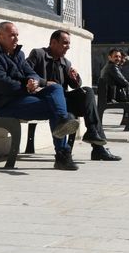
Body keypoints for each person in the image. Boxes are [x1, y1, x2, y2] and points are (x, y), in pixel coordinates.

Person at [0, 22, 81, 170]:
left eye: (17, 35)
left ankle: (63, 121)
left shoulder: (18, 54)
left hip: (24, 98)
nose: (16, 39)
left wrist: (34, 81)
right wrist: (27, 87)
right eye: (12, 35)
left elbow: (32, 73)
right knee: (57, 110)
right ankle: (63, 154)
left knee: (56, 87)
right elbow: (3, 84)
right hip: (6, 104)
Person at [27, 30, 122, 162]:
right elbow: (26, 72)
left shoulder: (65, 62)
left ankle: (93, 134)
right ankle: (98, 149)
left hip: (64, 100)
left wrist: (75, 77)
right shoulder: (38, 54)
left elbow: (75, 85)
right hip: (45, 99)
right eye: (65, 43)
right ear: (53, 42)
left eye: (69, 44)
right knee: (73, 104)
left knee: (87, 91)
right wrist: (44, 83)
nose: (68, 47)